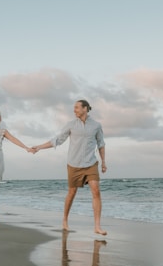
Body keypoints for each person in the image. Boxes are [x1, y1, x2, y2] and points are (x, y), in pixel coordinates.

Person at [33, 100, 107, 235]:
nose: (75, 110)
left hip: (91, 163)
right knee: (72, 192)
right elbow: (57, 140)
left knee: (96, 191)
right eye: (74, 108)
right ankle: (65, 220)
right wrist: (39, 147)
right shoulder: (71, 125)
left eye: (77, 108)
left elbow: (101, 144)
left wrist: (103, 162)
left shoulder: (96, 125)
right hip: (74, 164)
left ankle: (97, 226)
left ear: (85, 108)